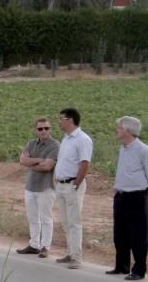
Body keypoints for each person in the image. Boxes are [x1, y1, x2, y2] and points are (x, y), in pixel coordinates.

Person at [107, 116, 148, 280]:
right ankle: (122, 266)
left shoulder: (143, 150)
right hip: (121, 196)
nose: (117, 130)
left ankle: (138, 270)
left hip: (137, 197)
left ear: (128, 131)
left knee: (138, 235)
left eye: (119, 128)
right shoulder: (123, 148)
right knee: (120, 234)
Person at [53, 107, 93, 269]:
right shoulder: (66, 138)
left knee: (74, 222)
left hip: (72, 185)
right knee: (65, 221)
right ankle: (70, 253)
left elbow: (85, 163)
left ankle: (77, 257)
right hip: (61, 185)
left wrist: (77, 182)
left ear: (70, 120)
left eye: (61, 118)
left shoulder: (83, 139)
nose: (59, 122)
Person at [16, 117, 60, 258]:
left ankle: (45, 246)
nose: (43, 131)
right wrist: (38, 160)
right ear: (36, 130)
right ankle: (34, 244)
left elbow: (47, 166)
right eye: (40, 128)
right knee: (33, 217)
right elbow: (22, 160)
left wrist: (31, 163)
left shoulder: (55, 146)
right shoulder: (31, 143)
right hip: (31, 186)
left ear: (50, 129)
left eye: (46, 128)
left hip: (46, 187)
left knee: (46, 218)